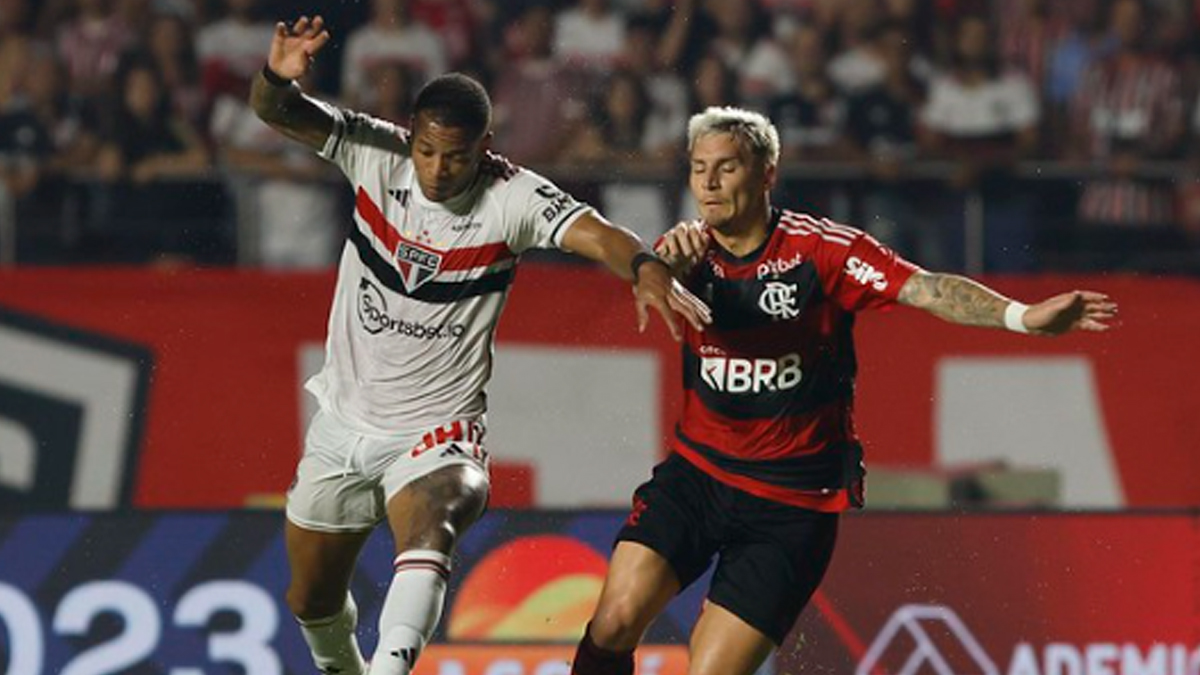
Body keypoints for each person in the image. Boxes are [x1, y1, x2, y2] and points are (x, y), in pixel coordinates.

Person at [569, 106, 1116, 675]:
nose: (707, 183)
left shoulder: (823, 251)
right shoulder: (684, 255)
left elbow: (926, 289)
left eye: (726, 167)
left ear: (766, 173)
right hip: (698, 477)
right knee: (613, 621)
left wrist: (1024, 318)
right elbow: (645, 275)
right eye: (698, 168)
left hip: (791, 506)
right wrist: (660, 271)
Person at [249, 15, 711, 675]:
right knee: (311, 598)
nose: (439, 169)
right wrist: (276, 76)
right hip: (344, 423)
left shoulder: (512, 196)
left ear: (484, 146)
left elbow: (599, 233)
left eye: (457, 156)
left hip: (439, 430)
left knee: (436, 514)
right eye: (428, 151)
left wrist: (642, 269)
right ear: (411, 137)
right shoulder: (373, 151)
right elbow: (276, 110)